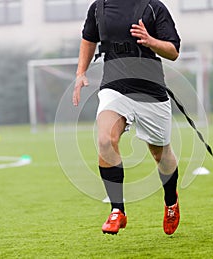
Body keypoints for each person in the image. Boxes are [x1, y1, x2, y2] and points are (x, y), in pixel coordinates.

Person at [72, 0, 181, 235]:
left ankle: (171, 201)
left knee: (160, 153)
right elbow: (88, 39)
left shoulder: (153, 7)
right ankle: (117, 211)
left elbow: (173, 51)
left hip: (150, 91)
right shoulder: (98, 7)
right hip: (114, 87)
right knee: (104, 140)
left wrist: (151, 41)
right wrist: (81, 72)